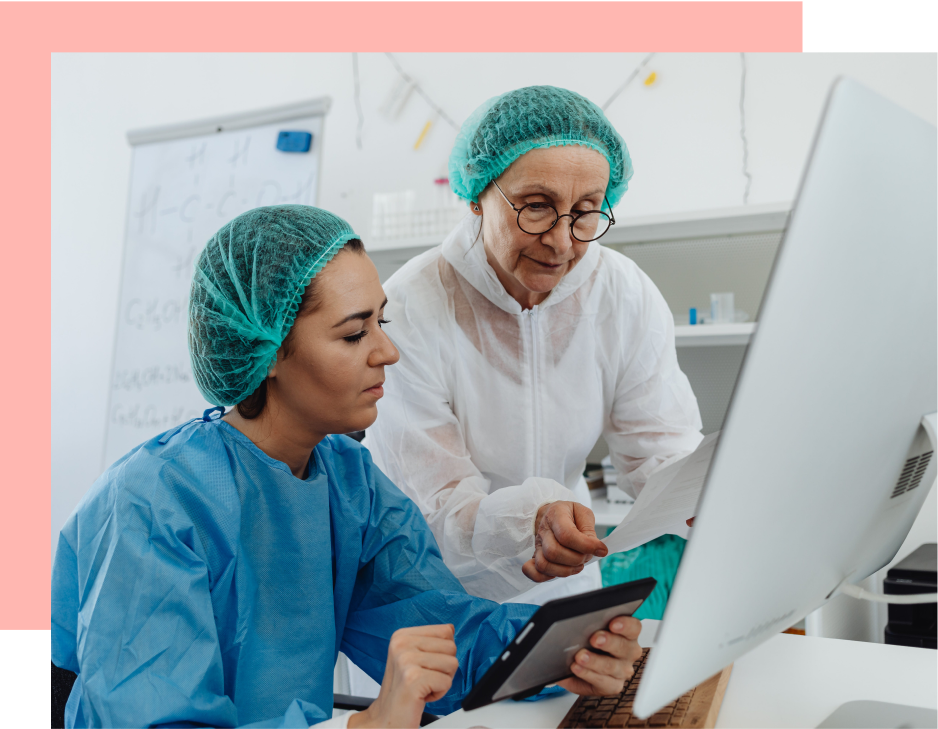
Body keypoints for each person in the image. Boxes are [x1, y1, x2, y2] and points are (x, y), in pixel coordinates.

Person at [51, 206, 643, 729]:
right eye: (355, 332)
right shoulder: (151, 505)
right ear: (269, 350)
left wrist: (553, 654)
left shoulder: (347, 480)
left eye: (380, 323)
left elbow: (435, 626)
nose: (387, 352)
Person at [366, 85, 703, 609]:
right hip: (442, 598)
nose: (563, 242)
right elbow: (436, 505)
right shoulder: (409, 310)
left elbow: (659, 449)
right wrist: (531, 524)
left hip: (566, 588)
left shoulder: (621, 292)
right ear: (477, 195)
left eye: (587, 210)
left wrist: (702, 498)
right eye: (537, 207)